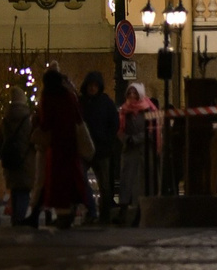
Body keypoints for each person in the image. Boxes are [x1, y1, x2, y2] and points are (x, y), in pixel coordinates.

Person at [37, 67, 88, 229]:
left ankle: (62, 215)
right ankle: (71, 211)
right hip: (71, 143)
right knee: (71, 179)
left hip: (57, 144)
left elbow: (45, 123)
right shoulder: (69, 96)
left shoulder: (48, 97)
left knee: (57, 182)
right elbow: (77, 115)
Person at [0, 74, 39, 228]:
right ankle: (20, 221)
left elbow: (0, 140)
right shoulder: (28, 119)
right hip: (26, 163)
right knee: (24, 193)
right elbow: (34, 139)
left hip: (11, 162)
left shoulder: (5, 120)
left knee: (15, 192)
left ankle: (16, 219)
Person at [81, 70, 122, 225]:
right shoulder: (83, 102)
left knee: (105, 184)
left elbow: (114, 122)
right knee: (82, 179)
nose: (92, 88)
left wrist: (107, 140)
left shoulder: (105, 102)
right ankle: (91, 211)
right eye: (90, 86)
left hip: (101, 149)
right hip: (87, 149)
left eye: (95, 86)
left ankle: (104, 215)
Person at [118, 81, 159, 220]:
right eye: (129, 92)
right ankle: (125, 210)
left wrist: (134, 139)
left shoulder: (149, 109)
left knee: (145, 181)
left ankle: (146, 210)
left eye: (135, 92)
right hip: (130, 150)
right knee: (127, 180)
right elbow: (119, 129)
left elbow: (152, 131)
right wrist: (126, 139)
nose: (132, 95)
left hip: (145, 150)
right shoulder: (124, 110)